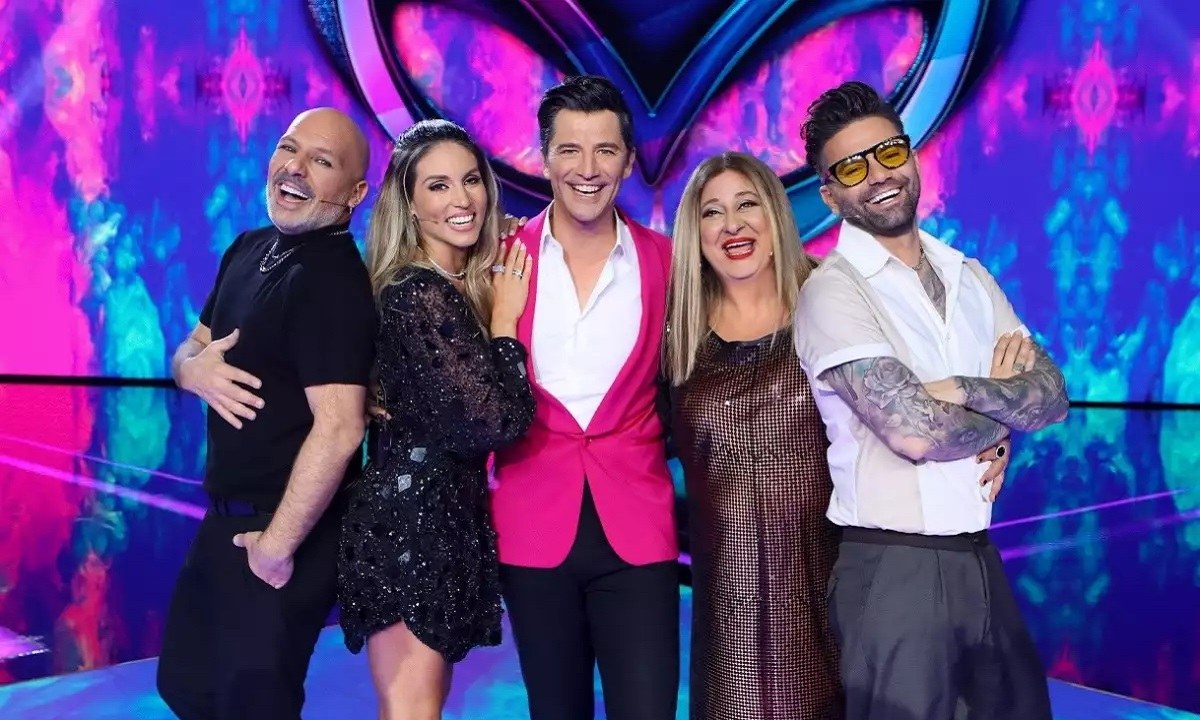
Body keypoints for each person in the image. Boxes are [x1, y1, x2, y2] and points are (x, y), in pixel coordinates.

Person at [793, 81, 1068, 720]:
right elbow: (915, 431)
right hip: (893, 569)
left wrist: (965, 391)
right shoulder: (833, 291)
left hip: (978, 554)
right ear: (830, 195)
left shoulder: (968, 275)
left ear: (912, 157)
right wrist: (1002, 417)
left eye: (889, 152)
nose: (878, 175)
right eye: (852, 168)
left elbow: (1053, 397)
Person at [156, 107, 377, 720]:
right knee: (187, 685)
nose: (295, 168)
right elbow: (193, 346)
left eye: (321, 161)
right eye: (288, 148)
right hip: (226, 522)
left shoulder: (330, 282)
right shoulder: (250, 247)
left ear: (354, 194)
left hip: (281, 531)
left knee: (252, 704)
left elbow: (341, 428)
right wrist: (191, 370)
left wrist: (276, 548)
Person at [489, 74, 680, 720]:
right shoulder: (498, 259)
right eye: (569, 149)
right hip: (531, 524)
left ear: (628, 161)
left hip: (639, 526)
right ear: (544, 159)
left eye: (605, 150)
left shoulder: (668, 262)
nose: (588, 169)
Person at [336, 119, 536, 720]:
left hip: (442, 516)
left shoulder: (451, 284)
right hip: (409, 523)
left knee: (423, 707)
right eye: (438, 186)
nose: (461, 199)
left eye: (470, 180)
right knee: (412, 710)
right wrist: (505, 327)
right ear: (409, 203)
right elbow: (497, 422)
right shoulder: (417, 292)